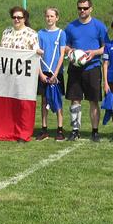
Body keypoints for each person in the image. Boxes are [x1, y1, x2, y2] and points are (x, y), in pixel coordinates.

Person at [63, 0, 109, 142]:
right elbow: (66, 46)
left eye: (85, 8)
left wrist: (94, 52)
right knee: (75, 100)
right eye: (80, 8)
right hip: (75, 68)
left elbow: (106, 47)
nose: (82, 10)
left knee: (93, 101)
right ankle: (75, 130)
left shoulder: (99, 26)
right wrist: (70, 51)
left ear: (91, 9)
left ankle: (95, 132)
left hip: (93, 67)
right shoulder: (71, 27)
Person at [36, 7, 67, 140]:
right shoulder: (40, 33)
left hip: (56, 72)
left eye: (52, 16)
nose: (49, 18)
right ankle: (44, 129)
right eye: (47, 16)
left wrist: (56, 73)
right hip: (43, 71)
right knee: (44, 101)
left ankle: (60, 129)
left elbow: (62, 54)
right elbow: (37, 55)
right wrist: (40, 74)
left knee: (57, 100)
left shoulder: (61, 33)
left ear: (57, 18)